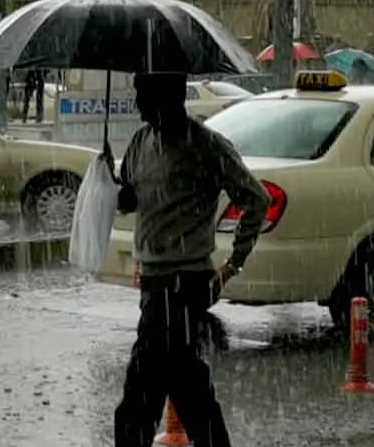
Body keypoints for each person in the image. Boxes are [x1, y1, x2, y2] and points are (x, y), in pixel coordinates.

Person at [107, 72, 271, 447]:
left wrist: (233, 264)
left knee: (141, 390)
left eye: (143, 95)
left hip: (184, 283)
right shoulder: (140, 141)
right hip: (153, 284)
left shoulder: (205, 145)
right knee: (186, 383)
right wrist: (112, 185)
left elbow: (256, 198)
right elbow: (130, 196)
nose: (137, 104)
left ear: (168, 96)